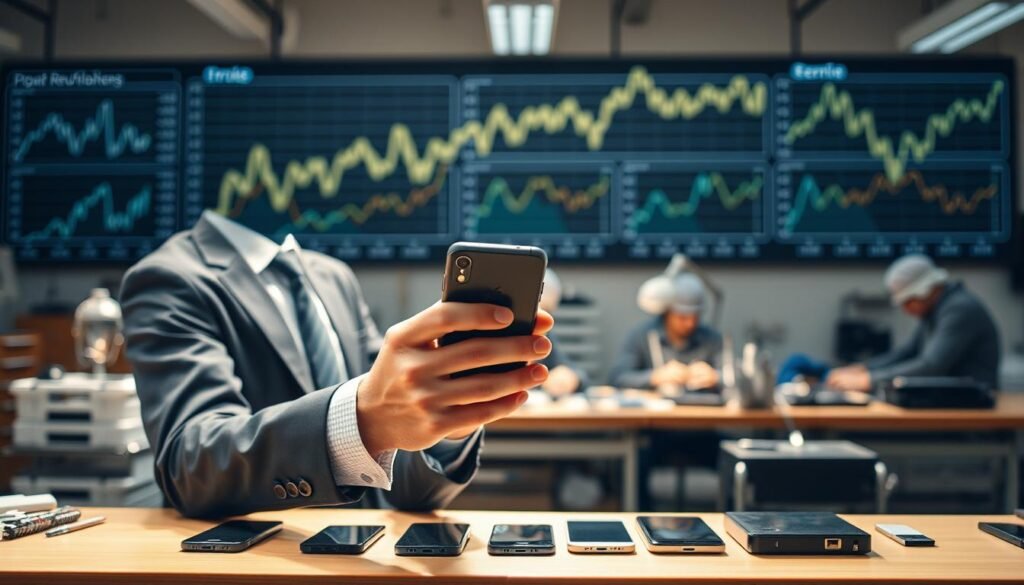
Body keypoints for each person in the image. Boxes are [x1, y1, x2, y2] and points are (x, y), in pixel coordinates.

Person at [120, 211, 553, 518]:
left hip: (369, 560)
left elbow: (404, 489)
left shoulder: (332, 276)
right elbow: (189, 465)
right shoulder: (169, 277)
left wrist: (447, 426)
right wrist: (360, 420)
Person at [827, 254, 1000, 392]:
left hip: (972, 405)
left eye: (907, 302)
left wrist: (869, 380)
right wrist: (864, 369)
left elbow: (931, 366)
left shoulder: (959, 310)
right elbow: (908, 352)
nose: (905, 310)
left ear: (927, 290)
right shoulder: (937, 309)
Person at [608, 273, 721, 390]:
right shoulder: (642, 335)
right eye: (682, 317)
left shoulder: (712, 339)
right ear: (667, 313)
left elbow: (733, 377)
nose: (690, 323)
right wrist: (655, 377)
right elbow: (617, 378)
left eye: (695, 317)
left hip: (701, 406)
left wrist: (716, 377)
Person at [535, 269, 588, 397]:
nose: (541, 322)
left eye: (547, 312)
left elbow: (575, 372)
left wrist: (572, 378)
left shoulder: (546, 335)